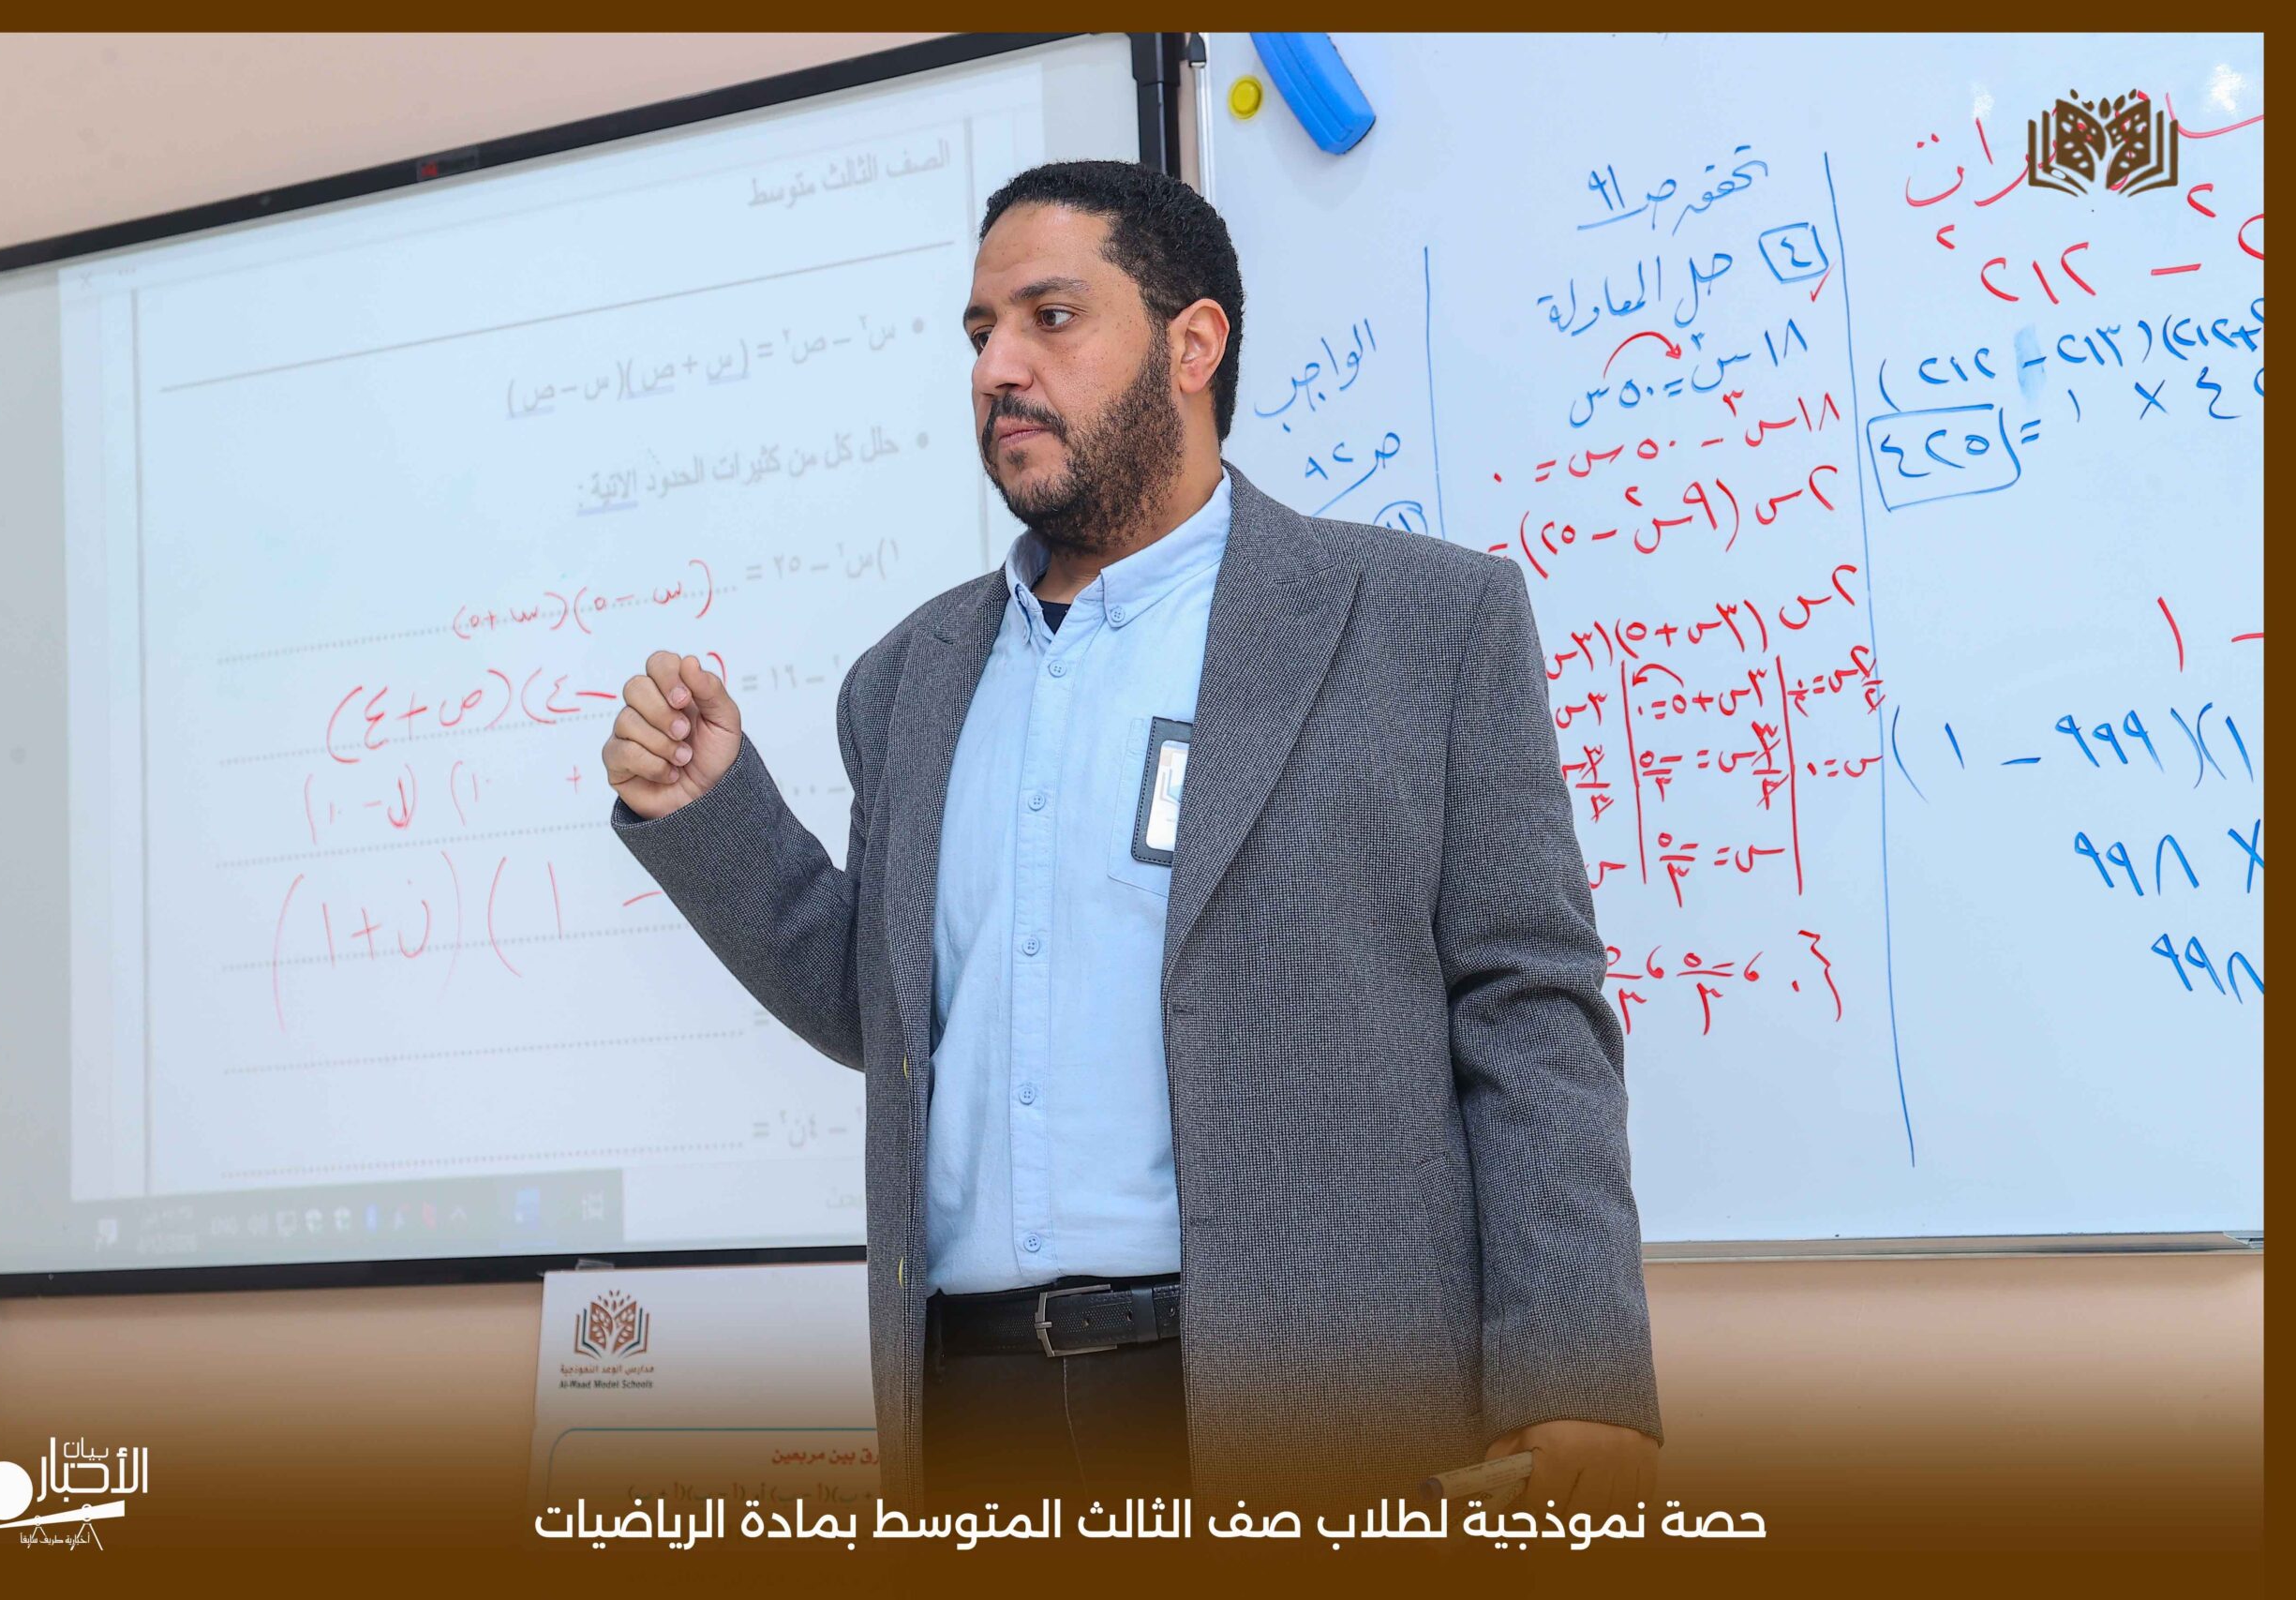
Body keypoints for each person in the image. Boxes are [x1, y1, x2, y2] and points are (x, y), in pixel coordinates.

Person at [603, 159, 1661, 1519]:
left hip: (1306, 1404)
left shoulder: (1425, 627)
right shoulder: (907, 680)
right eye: (981, 332)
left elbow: (1530, 1014)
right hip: (973, 1414)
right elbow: (890, 1014)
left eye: (1050, 317)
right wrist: (712, 810)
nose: (997, 367)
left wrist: (1579, 1378)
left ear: (1191, 344)